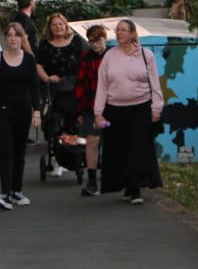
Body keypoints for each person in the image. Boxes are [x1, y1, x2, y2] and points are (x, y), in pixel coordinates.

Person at [93, 18, 163, 205]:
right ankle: (124, 184)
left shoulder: (145, 55)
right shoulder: (109, 56)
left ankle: (135, 188)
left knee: (137, 147)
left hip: (140, 107)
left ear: (132, 34)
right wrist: (98, 112)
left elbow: (155, 83)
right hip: (115, 109)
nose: (119, 33)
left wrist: (157, 107)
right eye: (117, 30)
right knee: (118, 148)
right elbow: (102, 85)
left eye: (123, 30)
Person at [0, 22, 41, 210]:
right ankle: (5, 193)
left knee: (19, 153)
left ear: (22, 38)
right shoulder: (0, 59)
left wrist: (37, 111)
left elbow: (35, 87)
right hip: (3, 111)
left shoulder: (29, 60)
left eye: (16, 35)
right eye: (9, 35)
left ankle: (17, 190)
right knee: (6, 152)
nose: (12, 38)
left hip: (23, 111)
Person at [35, 13, 87, 175]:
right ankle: (57, 158)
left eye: (61, 24)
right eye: (54, 24)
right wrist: (47, 78)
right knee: (55, 121)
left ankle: (76, 155)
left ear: (66, 26)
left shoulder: (77, 42)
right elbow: (38, 65)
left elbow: (85, 61)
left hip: (75, 87)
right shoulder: (45, 45)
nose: (58, 27)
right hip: (55, 88)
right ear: (49, 28)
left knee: (74, 121)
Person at [74, 24, 109, 196]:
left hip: (112, 107)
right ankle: (92, 180)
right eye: (92, 41)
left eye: (98, 40)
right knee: (93, 140)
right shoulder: (86, 58)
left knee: (113, 141)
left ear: (105, 39)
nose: (95, 44)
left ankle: (114, 178)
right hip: (91, 107)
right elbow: (80, 84)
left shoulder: (113, 56)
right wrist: (79, 110)